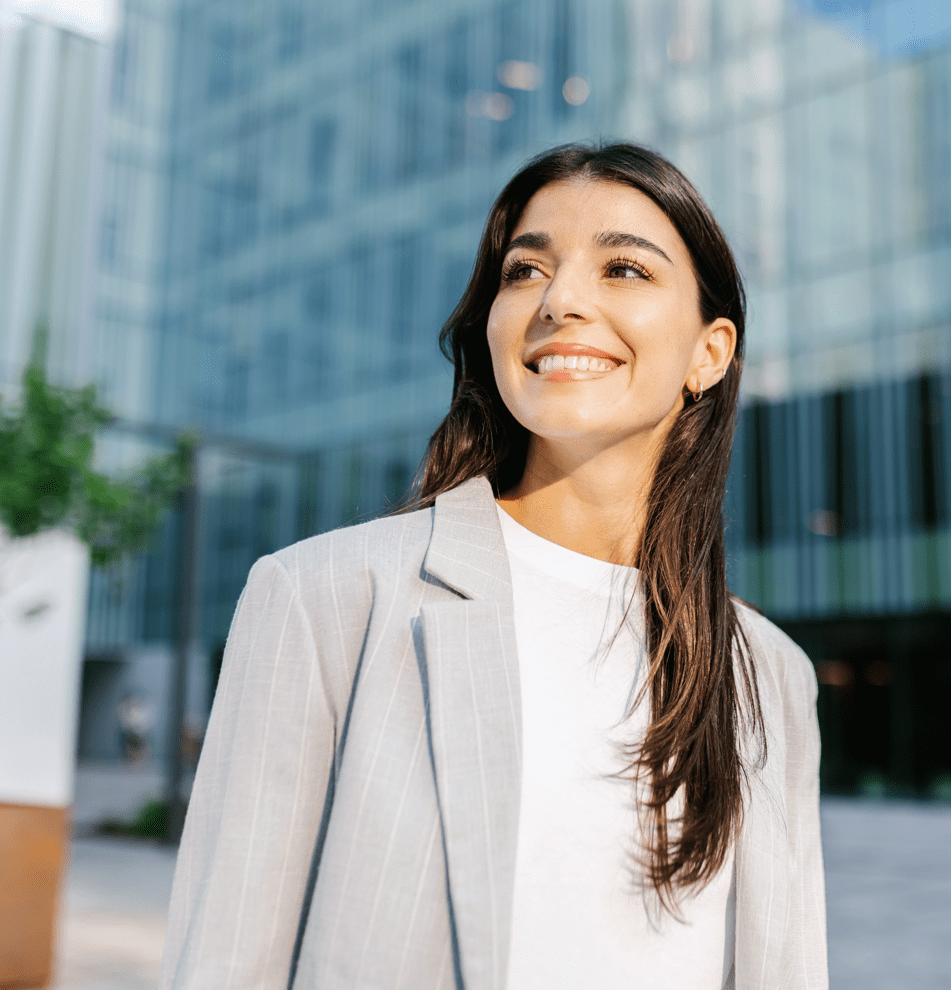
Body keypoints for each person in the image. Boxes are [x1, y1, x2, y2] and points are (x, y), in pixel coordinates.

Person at [159, 142, 827, 989]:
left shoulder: (769, 674)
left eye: (623, 268)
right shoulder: (325, 599)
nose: (561, 300)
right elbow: (224, 958)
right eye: (524, 270)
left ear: (710, 352)